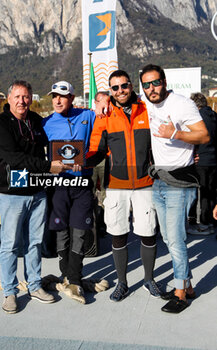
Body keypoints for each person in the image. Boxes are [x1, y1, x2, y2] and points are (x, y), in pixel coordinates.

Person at [0, 80, 67, 314]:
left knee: (34, 242)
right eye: (18, 97)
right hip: (11, 193)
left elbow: (52, 137)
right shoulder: (1, 124)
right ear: (9, 98)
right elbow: (15, 159)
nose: (22, 101)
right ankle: (10, 292)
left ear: (31, 99)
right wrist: (48, 166)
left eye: (26, 97)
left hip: (37, 192)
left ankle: (34, 285)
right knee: (10, 245)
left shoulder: (35, 121)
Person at [86, 70, 162, 302]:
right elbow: (95, 149)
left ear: (131, 86)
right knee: (118, 235)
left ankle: (149, 279)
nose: (120, 91)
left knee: (148, 234)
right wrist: (74, 162)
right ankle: (123, 283)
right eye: (115, 88)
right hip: (116, 185)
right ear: (110, 91)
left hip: (145, 184)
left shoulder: (147, 109)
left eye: (124, 86)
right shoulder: (105, 115)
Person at [139, 64, 209, 313]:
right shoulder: (147, 103)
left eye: (155, 82)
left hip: (180, 182)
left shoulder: (182, 104)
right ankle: (187, 285)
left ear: (164, 81)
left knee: (176, 240)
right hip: (159, 180)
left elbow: (203, 136)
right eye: (146, 85)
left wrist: (176, 133)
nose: (151, 88)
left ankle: (181, 293)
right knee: (168, 238)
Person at [42, 81, 95, 304]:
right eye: (54, 96)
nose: (57, 100)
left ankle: (74, 278)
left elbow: (104, 121)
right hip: (58, 185)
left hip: (82, 184)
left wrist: (103, 102)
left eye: (62, 96)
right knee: (61, 231)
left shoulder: (87, 116)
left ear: (72, 98)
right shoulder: (45, 123)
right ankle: (69, 275)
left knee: (80, 232)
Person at [187, 93, 217, 235]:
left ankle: (204, 224)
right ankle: (211, 221)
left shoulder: (198, 118)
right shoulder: (214, 115)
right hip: (213, 160)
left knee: (201, 193)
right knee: (211, 192)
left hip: (202, 160)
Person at [92, 91, 109, 237]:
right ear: (95, 102)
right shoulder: (90, 116)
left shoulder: (111, 116)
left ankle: (103, 224)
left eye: (106, 100)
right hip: (90, 160)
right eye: (100, 101)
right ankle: (92, 223)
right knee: (90, 193)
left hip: (105, 159)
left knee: (104, 193)